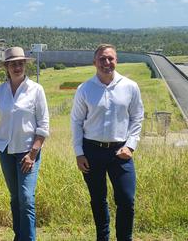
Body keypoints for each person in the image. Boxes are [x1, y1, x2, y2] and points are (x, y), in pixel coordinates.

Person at [70, 44, 144, 241]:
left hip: (121, 152)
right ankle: (102, 237)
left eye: (110, 58)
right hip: (91, 150)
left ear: (116, 61)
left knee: (126, 200)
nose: (106, 62)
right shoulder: (84, 89)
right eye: (102, 59)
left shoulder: (130, 87)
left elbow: (137, 117)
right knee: (98, 199)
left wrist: (131, 145)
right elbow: (76, 121)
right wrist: (79, 153)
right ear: (95, 62)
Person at [0, 46, 50, 241]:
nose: (17, 67)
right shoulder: (0, 91)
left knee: (26, 198)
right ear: (7, 67)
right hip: (5, 151)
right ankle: (19, 236)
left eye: (20, 63)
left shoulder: (36, 90)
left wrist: (33, 154)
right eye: (13, 64)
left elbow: (43, 125)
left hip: (28, 152)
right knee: (15, 198)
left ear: (25, 66)